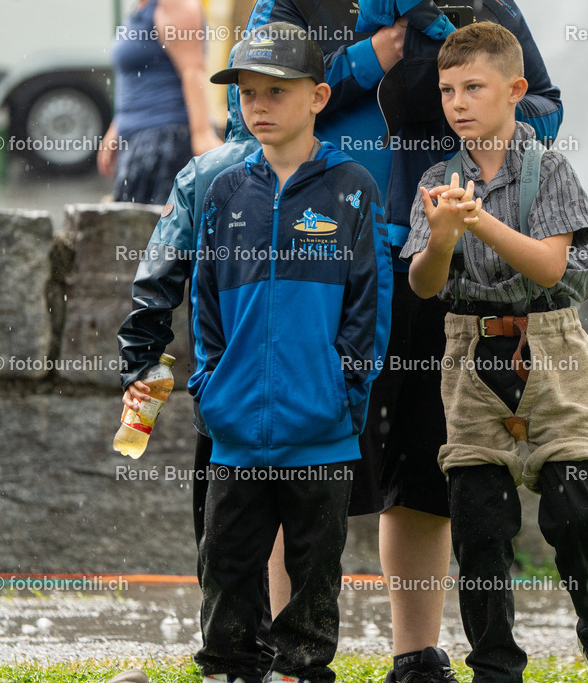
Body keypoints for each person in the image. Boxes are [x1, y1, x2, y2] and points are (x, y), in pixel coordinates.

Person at [243, 3, 562, 682]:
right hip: (320, 260)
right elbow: (259, 92)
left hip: (437, 256)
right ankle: (291, 654)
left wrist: (472, 100)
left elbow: (547, 108)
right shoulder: (299, 6)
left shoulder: (476, 3)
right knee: (300, 459)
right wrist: (372, 57)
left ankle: (415, 654)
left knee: (425, 461)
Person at [401, 22, 588, 683]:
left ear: (514, 90)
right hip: (470, 356)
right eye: (448, 90)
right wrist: (443, 236)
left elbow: (549, 262)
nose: (458, 102)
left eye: (474, 87)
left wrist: (478, 221)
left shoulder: (551, 169)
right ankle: (496, 667)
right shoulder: (436, 179)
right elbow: (424, 283)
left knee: (576, 514)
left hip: (551, 350)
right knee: (480, 525)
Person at [189, 21, 392, 683]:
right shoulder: (223, 192)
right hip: (236, 433)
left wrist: (345, 395)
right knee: (225, 572)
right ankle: (229, 670)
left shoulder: (353, 187)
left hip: (322, 432)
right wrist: (210, 391)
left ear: (319, 96)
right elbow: (204, 307)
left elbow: (369, 305)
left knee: (313, 584)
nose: (259, 106)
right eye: (248, 92)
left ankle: (301, 673)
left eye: (277, 91)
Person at [98, 0, 224, 204]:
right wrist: (116, 129)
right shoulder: (141, 6)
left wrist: (202, 135)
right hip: (139, 140)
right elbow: (137, 77)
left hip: (167, 141)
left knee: (158, 231)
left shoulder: (174, 4)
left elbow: (193, 69)